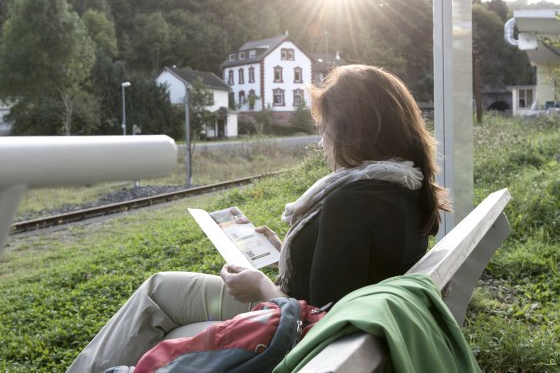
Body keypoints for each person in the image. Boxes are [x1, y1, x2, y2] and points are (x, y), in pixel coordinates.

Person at [66, 64, 450, 373]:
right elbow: (355, 265)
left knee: (156, 298)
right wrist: (287, 250)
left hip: (288, 324)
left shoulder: (351, 201)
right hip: (316, 311)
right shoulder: (408, 185)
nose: (322, 142)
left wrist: (260, 288)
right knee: (160, 287)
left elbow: (318, 321)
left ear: (355, 132)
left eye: (326, 129)